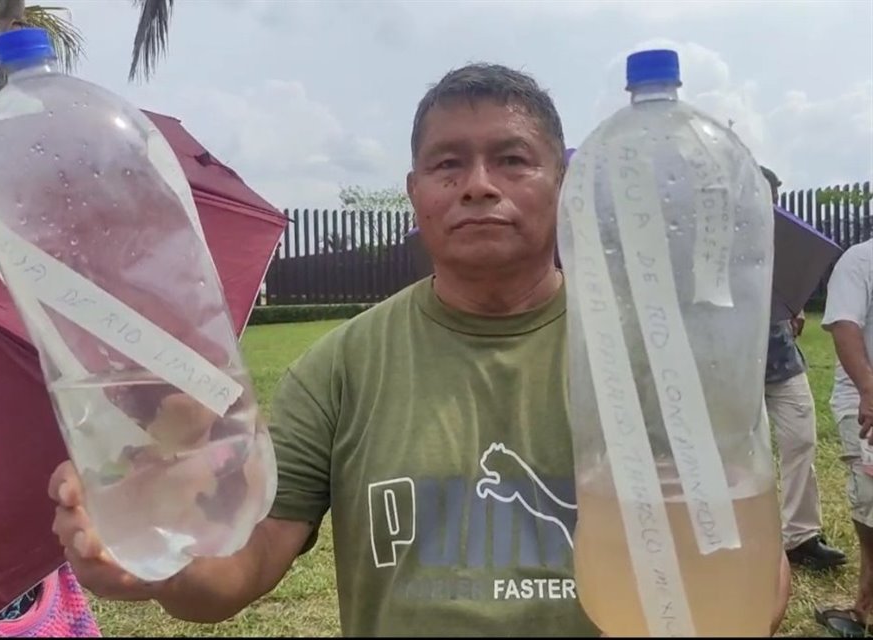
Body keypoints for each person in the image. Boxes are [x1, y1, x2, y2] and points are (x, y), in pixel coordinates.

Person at [49, 63, 791, 637]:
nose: (478, 187)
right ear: (414, 191)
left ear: (563, 183)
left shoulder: (644, 356)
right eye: (448, 165)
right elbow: (242, 569)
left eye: (512, 160)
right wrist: (158, 558)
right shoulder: (340, 367)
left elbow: (745, 575)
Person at [759, 167, 847, 571]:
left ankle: (801, 536)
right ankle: (748, 536)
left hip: (783, 361)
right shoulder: (713, 245)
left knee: (801, 441)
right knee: (747, 455)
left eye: (775, 197)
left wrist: (791, 311)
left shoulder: (779, 247)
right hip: (736, 371)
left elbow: (785, 292)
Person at [815, 238, 873, 637]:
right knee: (870, 503)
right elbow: (845, 325)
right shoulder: (859, 261)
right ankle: (864, 606)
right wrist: (870, 390)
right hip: (863, 400)